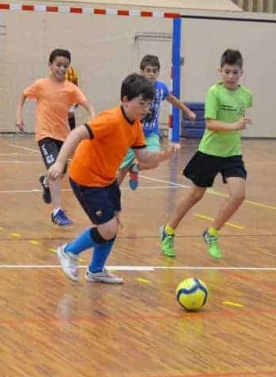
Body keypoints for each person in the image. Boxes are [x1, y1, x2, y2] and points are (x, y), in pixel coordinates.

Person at [49, 73, 179, 284]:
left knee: (113, 222)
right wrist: (59, 162)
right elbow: (76, 134)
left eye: (148, 105)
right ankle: (68, 251)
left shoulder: (135, 125)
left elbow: (143, 156)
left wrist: (165, 155)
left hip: (107, 178)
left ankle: (96, 270)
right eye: (142, 104)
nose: (146, 110)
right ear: (126, 100)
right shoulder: (110, 120)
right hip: (86, 178)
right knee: (107, 228)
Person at [159, 49, 253, 260]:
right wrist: (235, 125)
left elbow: (239, 116)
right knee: (196, 194)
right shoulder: (214, 92)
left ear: (241, 73)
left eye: (235, 72)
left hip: (232, 153)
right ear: (220, 71)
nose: (230, 76)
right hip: (210, 151)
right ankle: (168, 230)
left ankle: (212, 233)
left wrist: (241, 123)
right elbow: (210, 124)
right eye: (227, 71)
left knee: (238, 195)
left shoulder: (246, 95)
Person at [16, 48, 96, 227]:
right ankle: (57, 211)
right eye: (58, 65)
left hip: (64, 136)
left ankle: (45, 181)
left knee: (60, 171)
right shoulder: (40, 85)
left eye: (65, 66)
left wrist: (92, 118)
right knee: (56, 170)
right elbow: (23, 95)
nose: (61, 69)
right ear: (50, 65)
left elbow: (87, 104)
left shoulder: (70, 88)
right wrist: (19, 117)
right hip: (45, 135)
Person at [116, 54, 196, 190]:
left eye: (154, 71)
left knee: (154, 162)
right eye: (148, 70)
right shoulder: (136, 88)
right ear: (142, 72)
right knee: (122, 168)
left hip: (151, 133)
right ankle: (112, 194)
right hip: (133, 133)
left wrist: (187, 111)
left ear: (158, 72)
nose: (151, 74)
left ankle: (135, 168)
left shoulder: (161, 88)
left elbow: (172, 99)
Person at [66, 64, 80, 131]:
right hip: (59, 95)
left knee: (70, 113)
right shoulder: (55, 71)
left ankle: (72, 131)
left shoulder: (71, 70)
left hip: (70, 95)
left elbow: (75, 83)